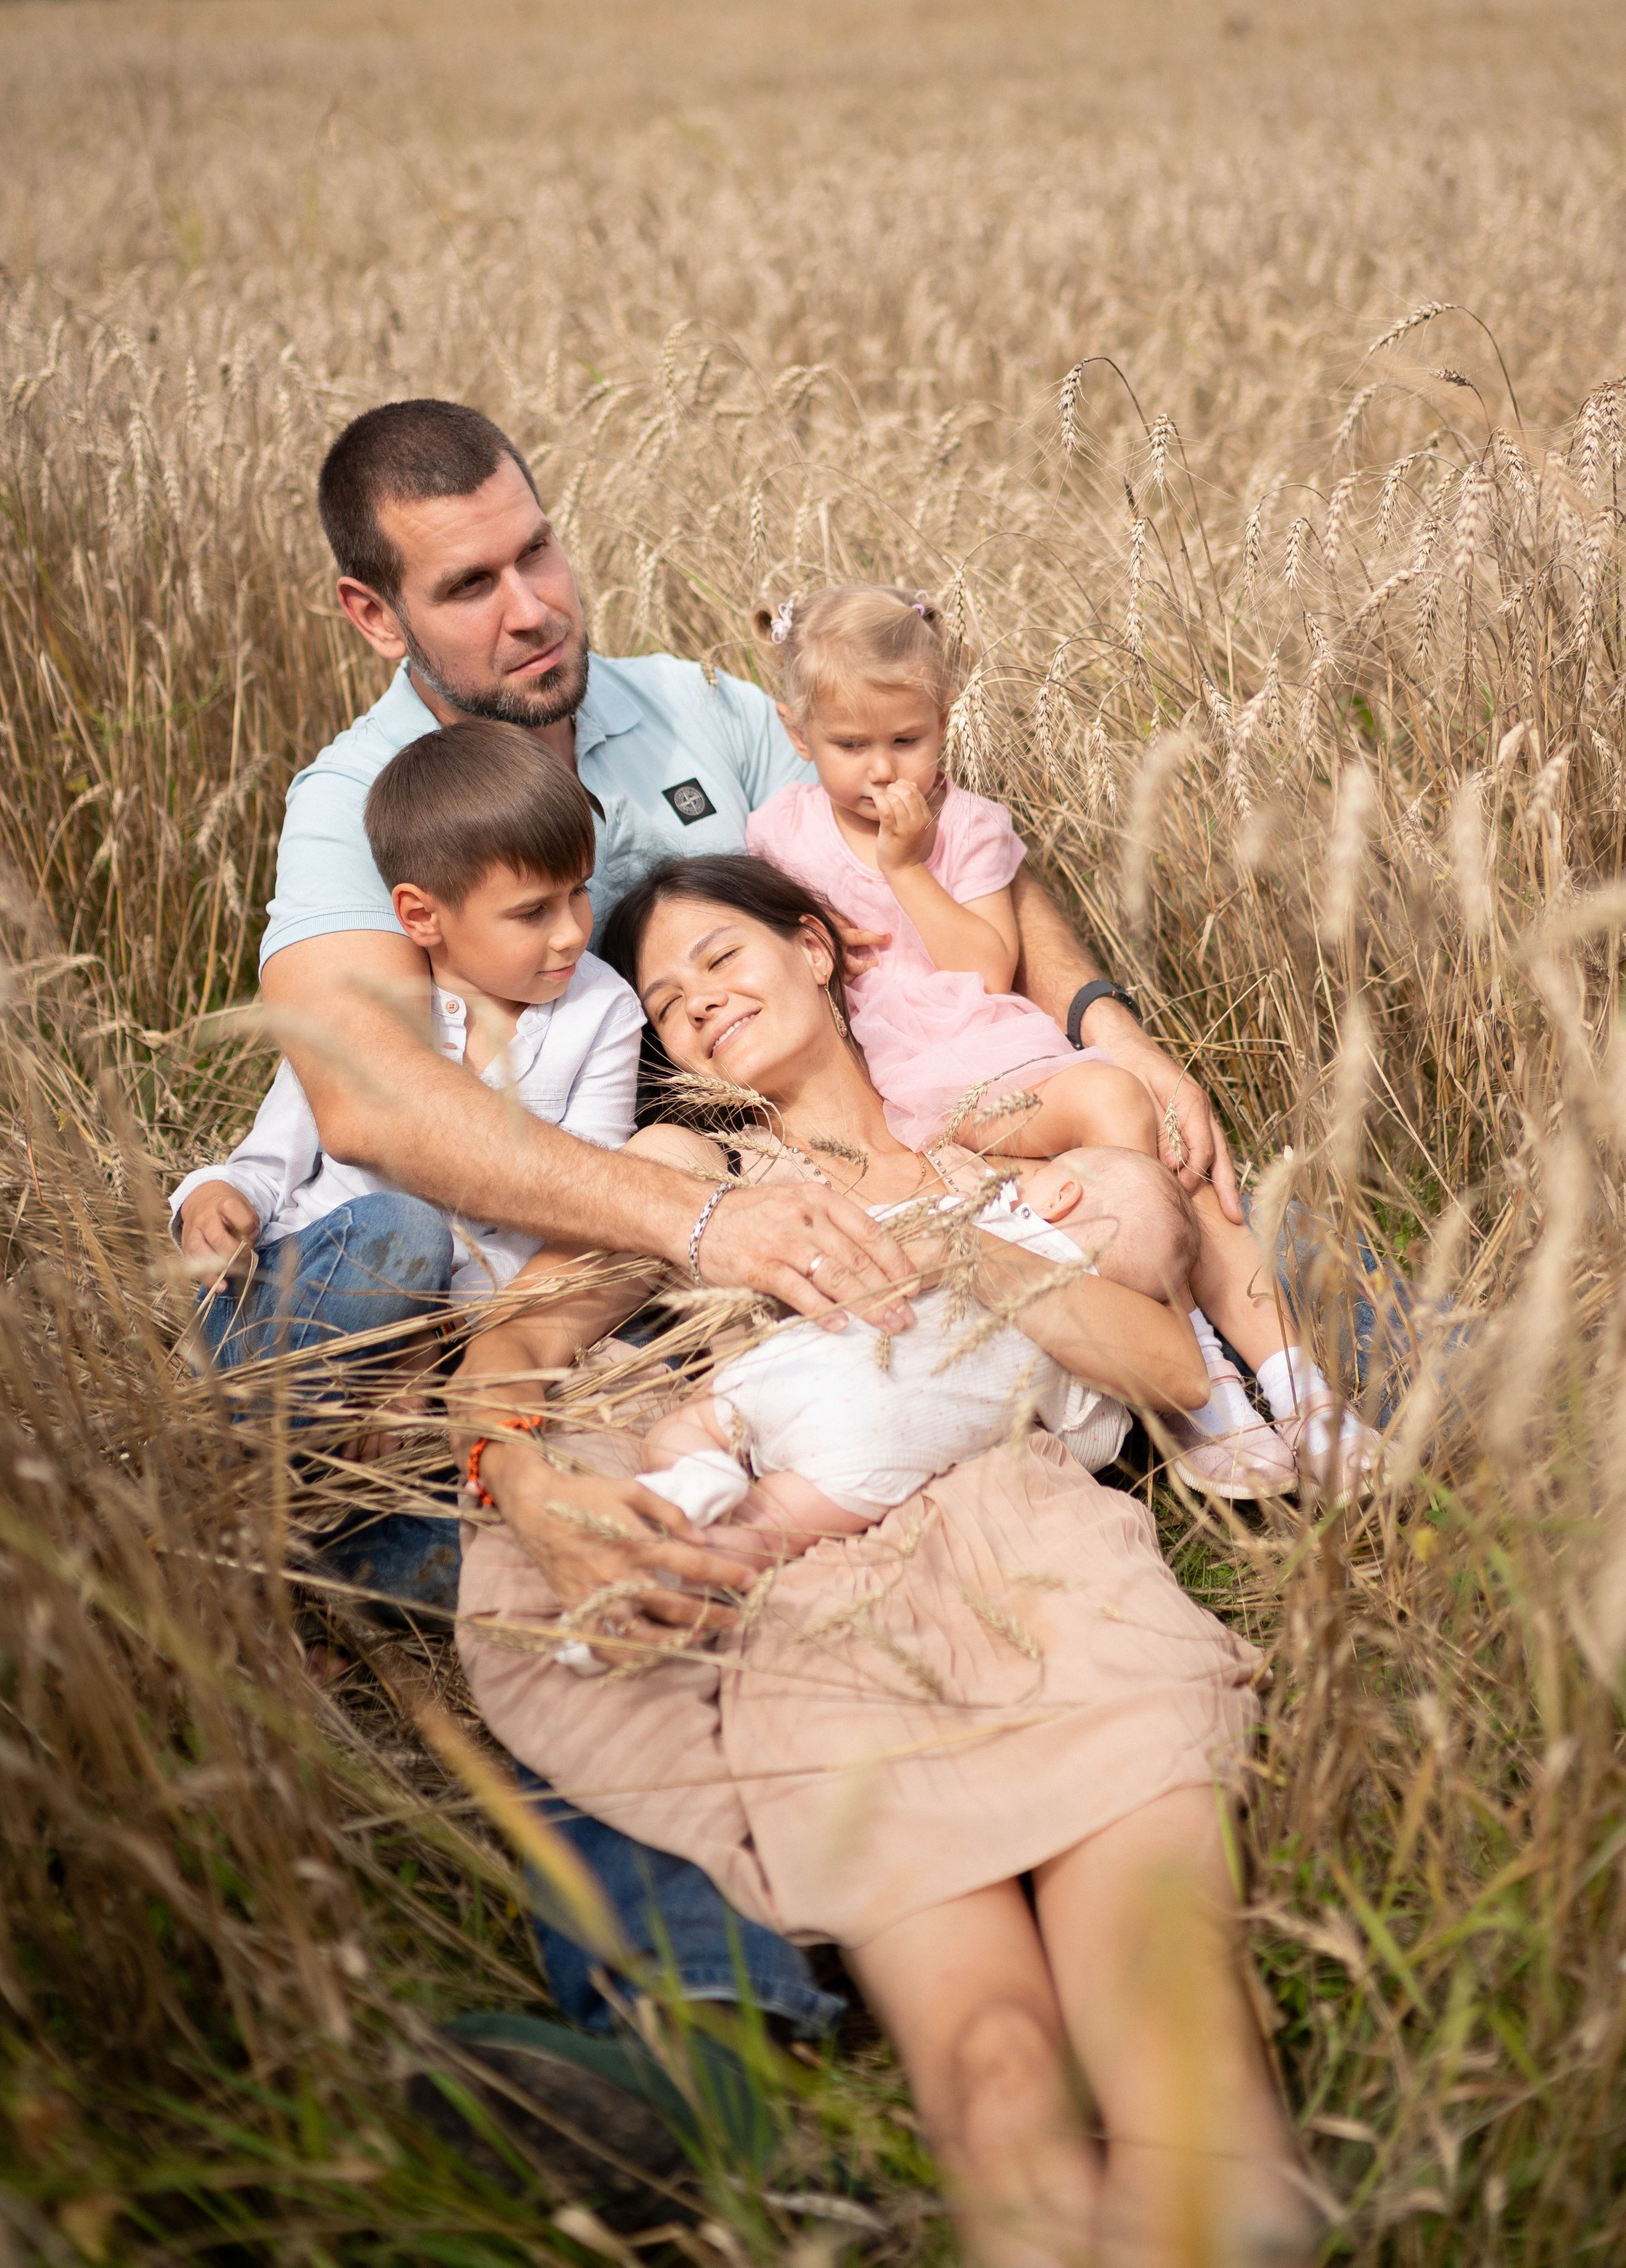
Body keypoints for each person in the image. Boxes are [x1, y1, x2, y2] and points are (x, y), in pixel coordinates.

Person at [236, 394, 1265, 2146]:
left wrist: (1101, 1023)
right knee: (576, 1567)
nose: (531, 605)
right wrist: (682, 1240)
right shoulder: (362, 809)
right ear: (372, 613)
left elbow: (928, 843)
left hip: (871, 1202)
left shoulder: (699, 714)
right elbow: (366, 1095)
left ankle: (1463, 1449)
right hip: (613, 1244)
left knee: (1222, 1209)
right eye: (469, 584)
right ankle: (691, 2036)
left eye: (537, 549)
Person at [450, 854, 1321, 2268]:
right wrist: (521, 1475)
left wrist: (975, 1256)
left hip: (1046, 1561)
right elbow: (519, 1341)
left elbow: (1169, 1367)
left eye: (720, 959)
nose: (697, 1005)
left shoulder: (989, 1149)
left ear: (814, 946)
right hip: (823, 1616)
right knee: (993, 2083)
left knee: (1187, 2052)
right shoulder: (697, 1177)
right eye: (666, 1004)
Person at [745, 582, 1376, 1491]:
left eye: (906, 741)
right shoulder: (781, 834)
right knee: (1121, 1099)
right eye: (851, 746)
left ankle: (1303, 1397)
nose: (882, 770)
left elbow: (986, 963)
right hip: (913, 1082)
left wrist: (907, 871)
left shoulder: (967, 826)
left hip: (997, 1045)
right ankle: (1203, 1385)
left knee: (1174, 1158)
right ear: (798, 734)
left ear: (945, 721)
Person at [172, 722, 642, 1419]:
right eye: (532, 912)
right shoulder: (372, 1008)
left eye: (579, 891)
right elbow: (267, 1166)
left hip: (463, 1325)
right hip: (300, 1295)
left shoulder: (603, 1010)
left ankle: (313, 1446)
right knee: (405, 1224)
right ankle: (259, 1404)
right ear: (422, 916)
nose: (574, 931)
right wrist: (213, 1200)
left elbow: (576, 1213)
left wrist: (434, 1330)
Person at [627, 1142, 1205, 1558]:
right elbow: (1093, 1444)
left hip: (802, 1366)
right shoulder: (1083, 1359)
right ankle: (692, 1559)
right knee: (765, 1531)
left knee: (687, 1426)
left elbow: (868, 1237)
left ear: (1062, 1194)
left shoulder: (962, 1214)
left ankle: (697, 1474)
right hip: (875, 1452)